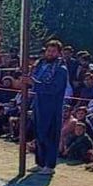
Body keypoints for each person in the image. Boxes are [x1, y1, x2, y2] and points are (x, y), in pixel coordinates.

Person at [23, 39, 69, 175]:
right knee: (39, 133)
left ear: (59, 53)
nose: (50, 53)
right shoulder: (41, 65)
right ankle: (40, 162)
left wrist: (33, 83)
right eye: (48, 51)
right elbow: (34, 79)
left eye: (53, 51)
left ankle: (49, 165)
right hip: (39, 103)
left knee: (50, 134)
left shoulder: (61, 69)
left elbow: (54, 88)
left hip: (52, 105)